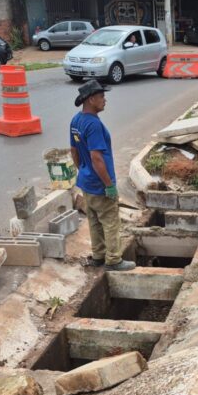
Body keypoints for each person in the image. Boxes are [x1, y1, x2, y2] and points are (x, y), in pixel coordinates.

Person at [70, 80, 135, 271]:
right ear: (91, 99)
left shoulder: (76, 120)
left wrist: (82, 170)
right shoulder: (94, 125)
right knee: (110, 221)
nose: (105, 100)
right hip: (99, 184)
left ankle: (98, 256)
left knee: (94, 221)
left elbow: (73, 150)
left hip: (86, 182)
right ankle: (114, 259)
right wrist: (109, 185)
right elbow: (96, 157)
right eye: (101, 97)